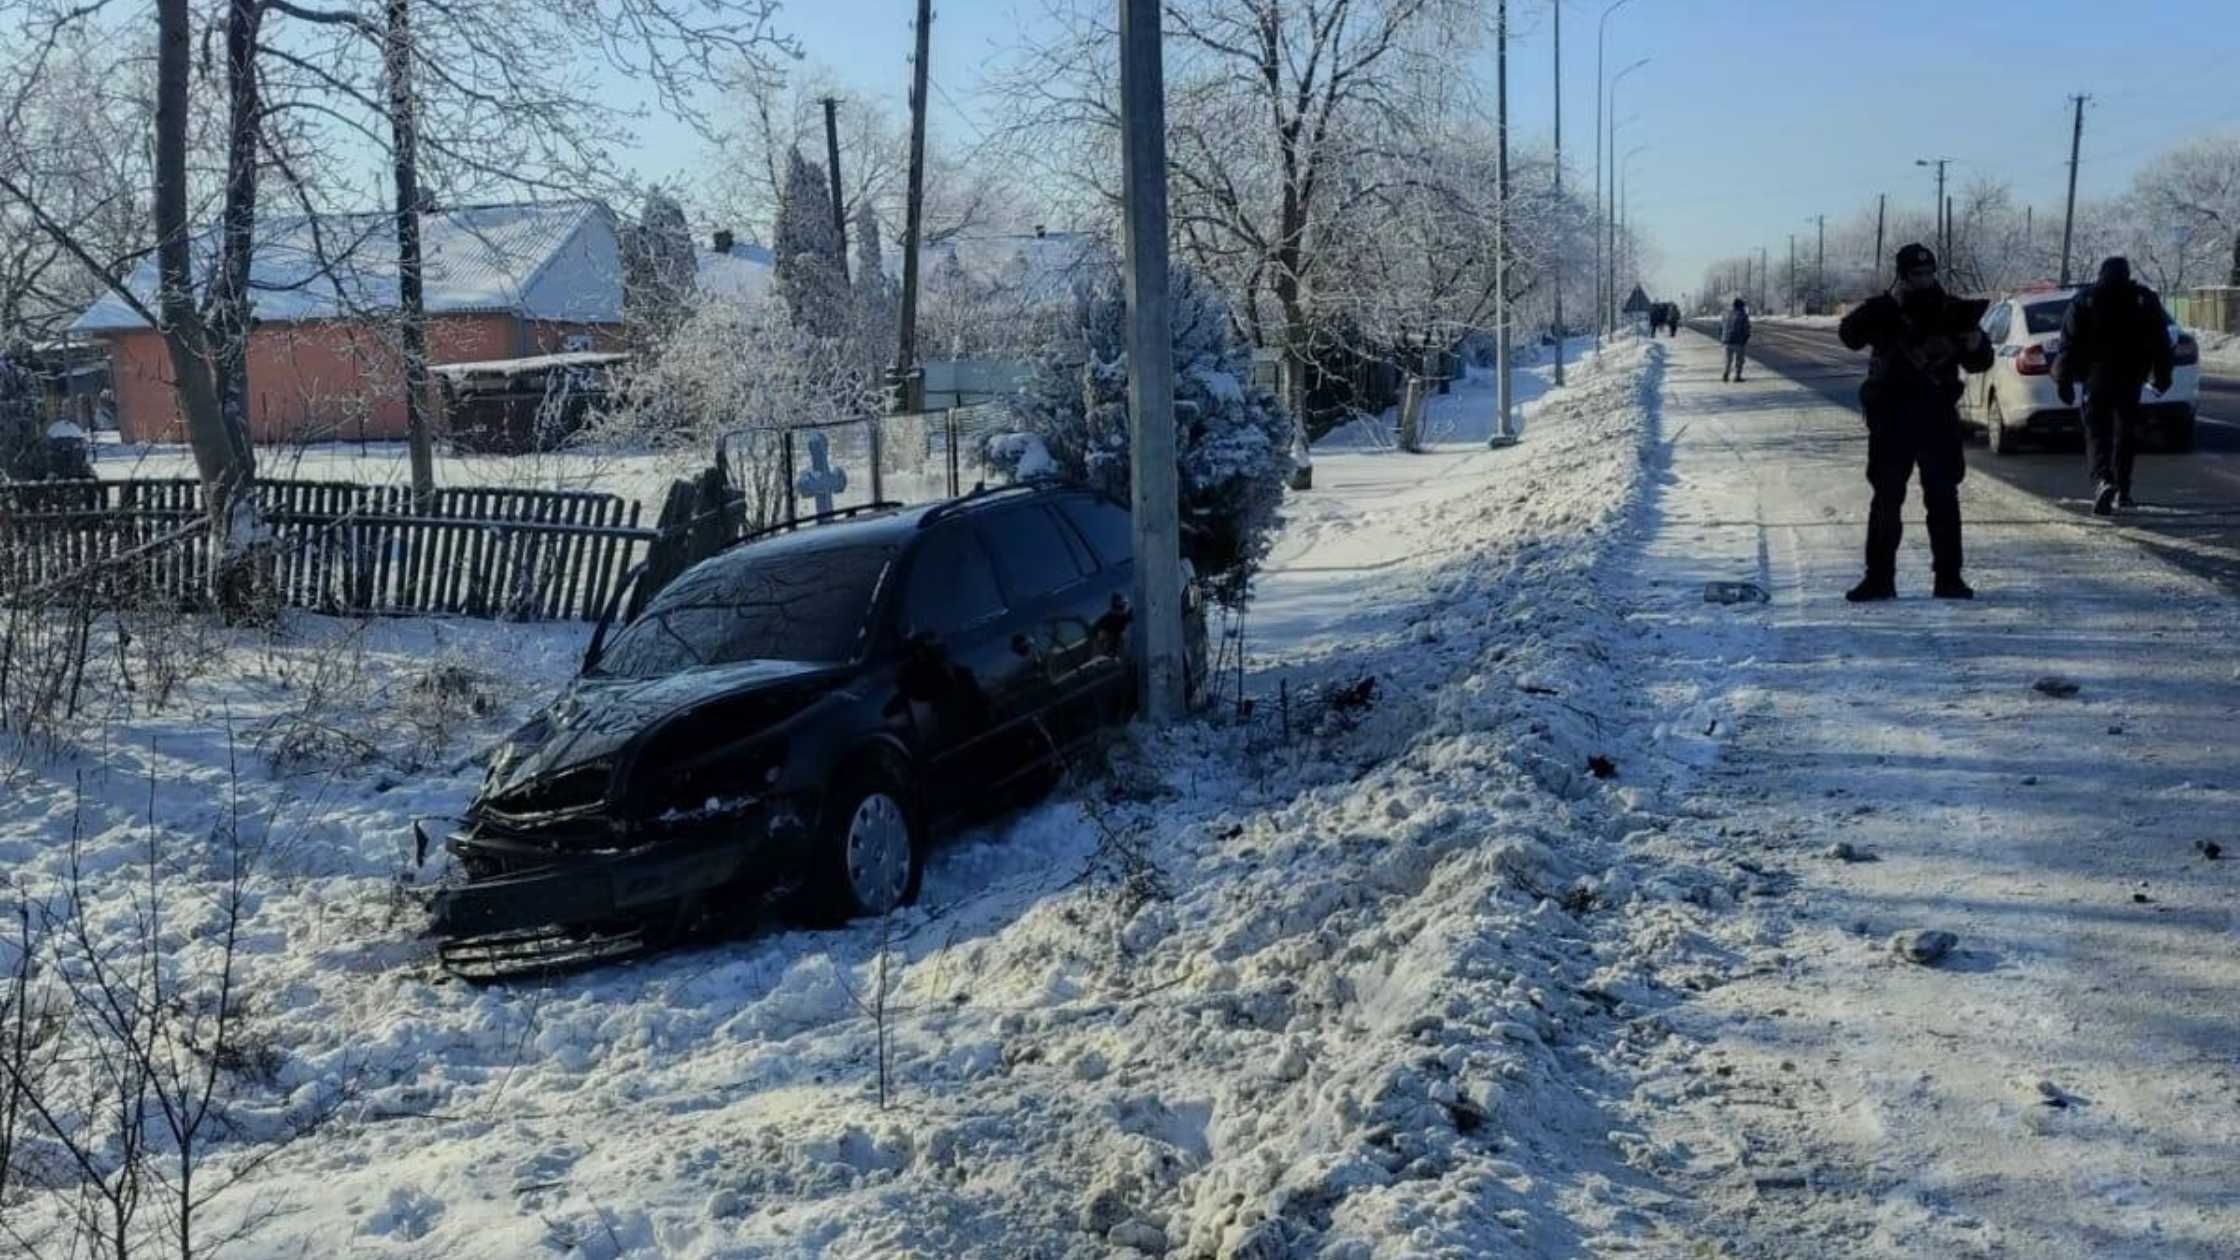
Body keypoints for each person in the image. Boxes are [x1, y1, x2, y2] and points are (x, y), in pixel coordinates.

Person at [1835, 243, 1993, 601]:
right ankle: (1879, 578)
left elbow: (1980, 362)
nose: (1923, 280)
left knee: (1943, 499)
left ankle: (1949, 578)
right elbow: (1849, 336)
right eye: (1915, 274)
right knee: (1887, 499)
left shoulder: (1952, 310)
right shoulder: (1885, 309)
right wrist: (1882, 310)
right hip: (1891, 419)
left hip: (1936, 416)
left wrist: (1973, 342)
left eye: (1928, 273)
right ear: (1902, 276)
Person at [2054, 256, 2174, 516]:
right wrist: (2163, 375)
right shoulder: (2143, 300)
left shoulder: (2086, 300)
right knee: (2125, 432)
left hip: (2095, 376)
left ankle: (2102, 480)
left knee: (2097, 432)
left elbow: (2069, 343)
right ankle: (2123, 489)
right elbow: (2160, 342)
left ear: (2101, 274)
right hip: (2131, 376)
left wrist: (2063, 379)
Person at [1718, 298, 1751, 381]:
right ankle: (1737, 376)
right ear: (1741, 306)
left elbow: (1720, 327)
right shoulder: (1743, 315)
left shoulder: (1726, 314)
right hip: (1738, 341)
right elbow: (1746, 328)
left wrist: (1722, 338)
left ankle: (1726, 374)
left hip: (1727, 341)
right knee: (1739, 360)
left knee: (1728, 360)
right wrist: (1745, 339)